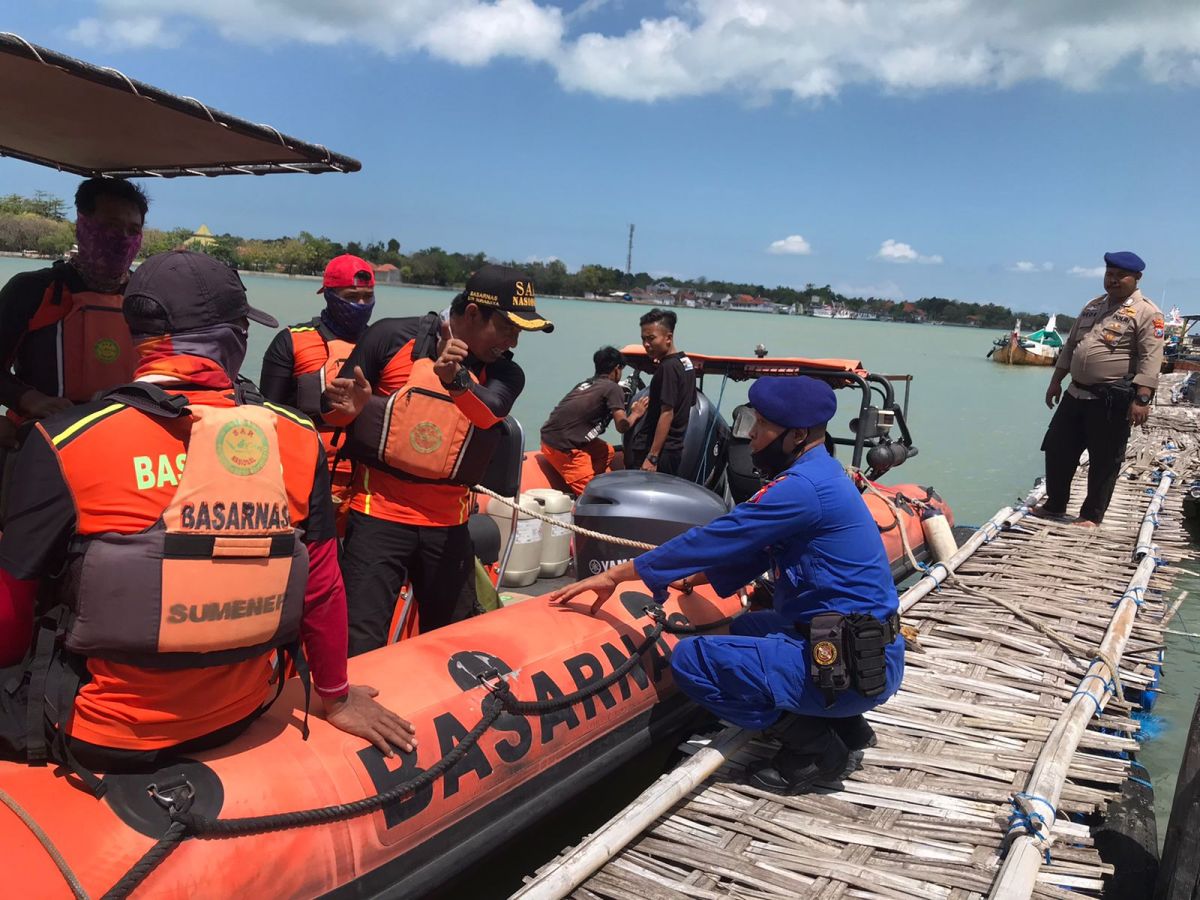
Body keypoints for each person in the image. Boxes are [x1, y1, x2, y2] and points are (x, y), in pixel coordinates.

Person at [0, 250, 415, 780]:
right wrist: (336, 696)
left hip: (104, 735)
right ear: (233, 339)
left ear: (135, 337)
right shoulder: (294, 435)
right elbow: (322, 586)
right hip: (240, 714)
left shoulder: (63, 442)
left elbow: (12, 608)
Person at [550, 376, 902, 795]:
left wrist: (619, 573)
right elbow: (761, 551)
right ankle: (846, 725)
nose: (751, 435)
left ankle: (816, 751)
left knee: (691, 661)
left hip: (847, 665)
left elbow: (717, 536)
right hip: (864, 654)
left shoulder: (800, 489)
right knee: (747, 628)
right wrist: (695, 576)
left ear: (797, 435)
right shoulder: (823, 473)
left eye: (762, 426)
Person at [324, 264, 552, 654]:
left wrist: (455, 380)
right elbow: (333, 410)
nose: (513, 341)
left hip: (449, 524)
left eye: (520, 332)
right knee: (358, 641)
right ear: (474, 313)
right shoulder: (390, 337)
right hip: (377, 513)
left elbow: (490, 413)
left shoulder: (506, 372)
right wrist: (348, 410)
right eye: (507, 327)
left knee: (453, 642)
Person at [0, 178, 148, 421]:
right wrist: (27, 398)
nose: (123, 238)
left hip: (123, 431)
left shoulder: (146, 297)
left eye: (133, 231)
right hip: (43, 434)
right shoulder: (32, 289)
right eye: (111, 226)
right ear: (81, 226)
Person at [1039, 251, 1164, 527]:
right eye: (1109, 274)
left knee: (1104, 459)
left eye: (1121, 276)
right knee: (1058, 448)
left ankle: (1091, 515)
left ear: (1137, 278)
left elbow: (1150, 358)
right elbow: (1070, 346)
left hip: (1110, 398)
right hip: (1075, 393)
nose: (1113, 280)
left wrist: (1142, 399)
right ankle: (1054, 504)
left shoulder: (1147, 312)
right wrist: (1055, 381)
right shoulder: (1093, 306)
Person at [260, 254, 377, 524]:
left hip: (364, 482)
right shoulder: (291, 341)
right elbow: (267, 413)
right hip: (307, 472)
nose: (361, 304)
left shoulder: (381, 343)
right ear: (329, 295)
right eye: (351, 296)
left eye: (368, 297)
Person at [539, 346, 648, 495]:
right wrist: (636, 413)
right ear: (617, 369)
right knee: (592, 497)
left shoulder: (585, 384)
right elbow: (622, 426)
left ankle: (591, 481)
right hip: (565, 448)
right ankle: (588, 491)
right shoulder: (613, 388)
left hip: (549, 438)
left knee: (606, 451)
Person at [624, 308, 695, 476]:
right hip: (674, 449)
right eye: (643, 339)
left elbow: (667, 413)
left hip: (657, 452)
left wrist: (652, 457)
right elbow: (690, 402)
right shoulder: (686, 362)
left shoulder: (667, 368)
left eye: (651, 338)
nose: (646, 345)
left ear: (668, 338)